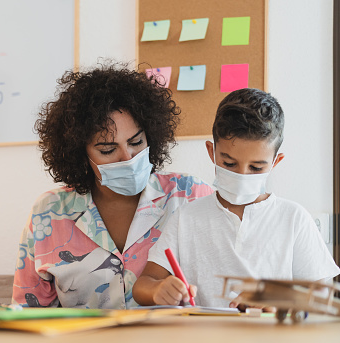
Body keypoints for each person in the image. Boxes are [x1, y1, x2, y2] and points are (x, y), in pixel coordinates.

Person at [11, 63, 213, 309]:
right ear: (80, 154)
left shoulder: (190, 196)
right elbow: (27, 313)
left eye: (136, 142)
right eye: (107, 150)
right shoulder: (49, 212)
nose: (128, 158)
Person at [133, 88, 340, 309]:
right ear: (212, 152)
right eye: (229, 164)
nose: (242, 175)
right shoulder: (186, 218)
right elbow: (142, 286)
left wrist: (277, 298)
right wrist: (158, 290)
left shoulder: (294, 219)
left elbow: (325, 298)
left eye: (256, 167)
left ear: (275, 162)